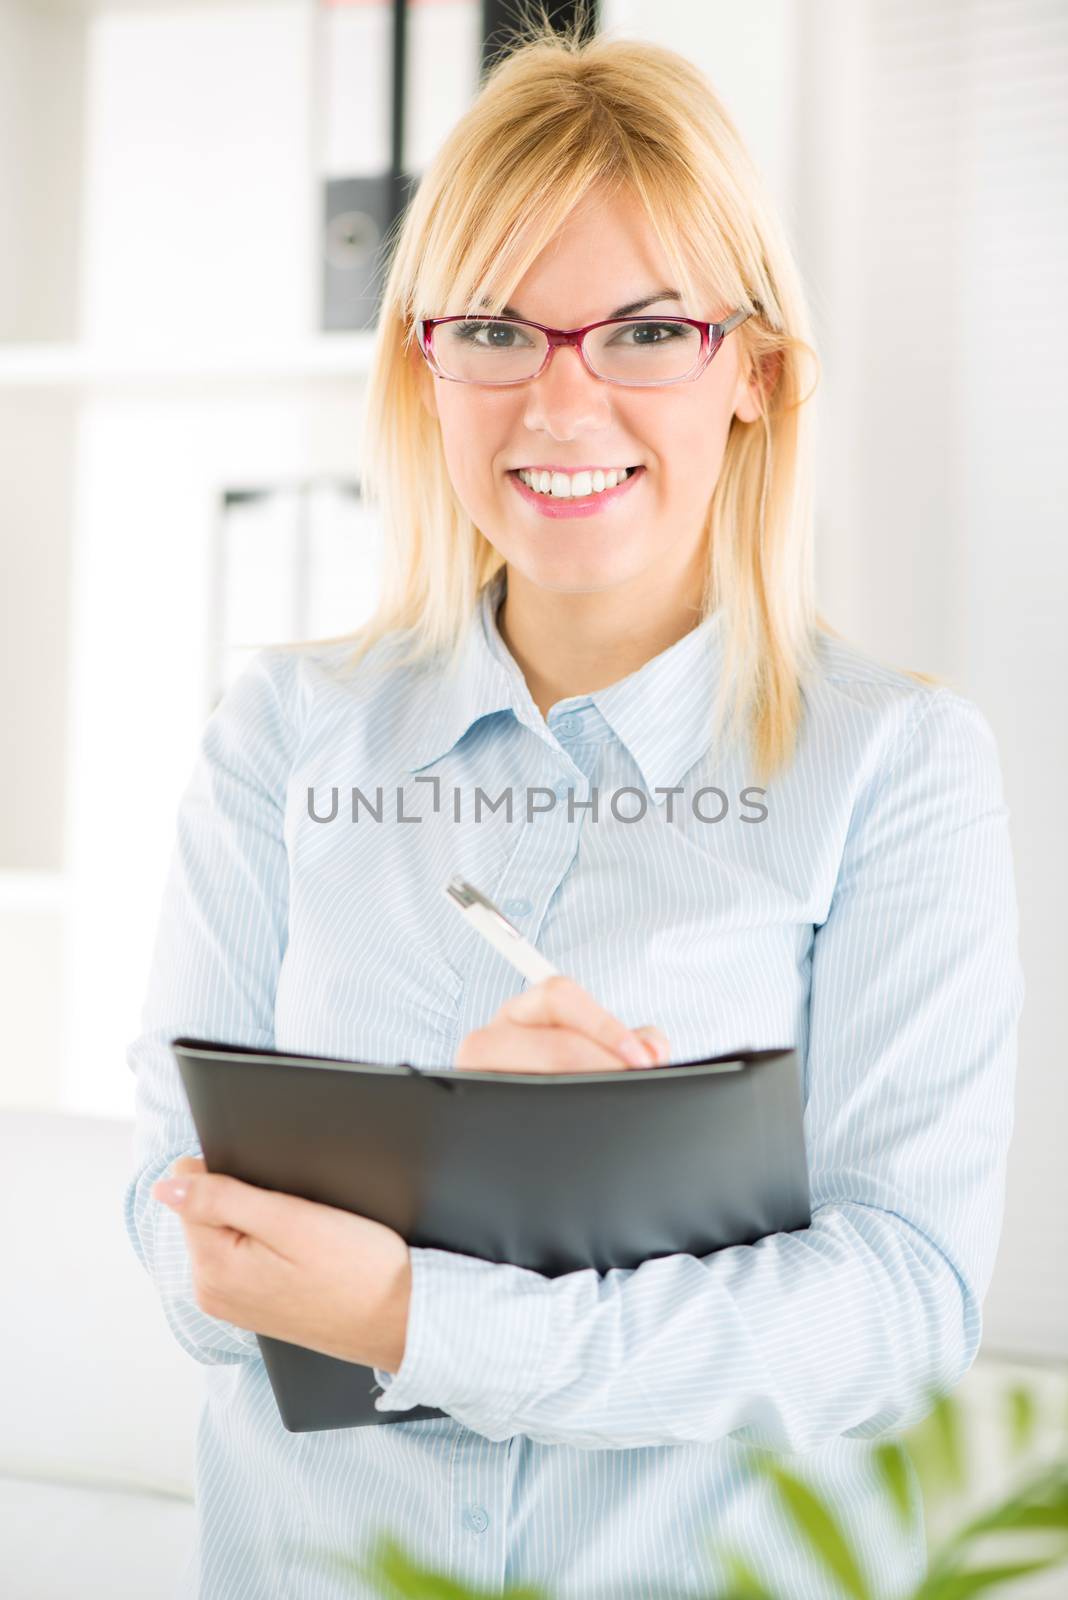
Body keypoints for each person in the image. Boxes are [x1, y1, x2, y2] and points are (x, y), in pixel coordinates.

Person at [124, 19, 1024, 1600]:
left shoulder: (896, 770)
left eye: (646, 332)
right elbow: (180, 1251)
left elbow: (894, 1312)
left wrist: (418, 1304)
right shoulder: (279, 736)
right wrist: (441, 1152)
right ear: (425, 364)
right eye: (494, 330)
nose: (559, 403)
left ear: (753, 368)